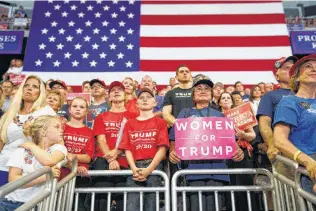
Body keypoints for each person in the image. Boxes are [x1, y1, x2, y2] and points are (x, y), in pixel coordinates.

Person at [169, 76, 244, 211]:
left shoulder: (221, 116)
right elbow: (174, 138)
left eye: (207, 89)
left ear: (211, 94)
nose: (203, 91)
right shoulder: (184, 114)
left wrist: (237, 151)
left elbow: (230, 141)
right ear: (193, 95)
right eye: (198, 89)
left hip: (217, 170)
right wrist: (172, 151)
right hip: (193, 171)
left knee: (215, 206)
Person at [0, 115, 66, 210]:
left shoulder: (59, 149)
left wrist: (32, 147)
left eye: (61, 127)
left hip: (38, 204)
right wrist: (44, 177)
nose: (62, 130)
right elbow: (13, 179)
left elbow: (49, 161)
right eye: (57, 127)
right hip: (10, 201)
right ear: (43, 132)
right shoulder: (21, 150)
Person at [118, 88, 169, 211]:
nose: (145, 99)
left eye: (148, 97)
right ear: (137, 103)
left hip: (154, 167)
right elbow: (127, 149)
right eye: (141, 97)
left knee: (151, 206)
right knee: (131, 206)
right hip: (134, 167)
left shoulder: (160, 122)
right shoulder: (129, 123)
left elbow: (162, 149)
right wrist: (134, 168)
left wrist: (149, 169)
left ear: (155, 102)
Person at [0, 75, 56, 186]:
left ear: (41, 92)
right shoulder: (10, 113)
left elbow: (56, 140)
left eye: (35, 86)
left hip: (28, 169)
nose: (29, 88)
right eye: (26, 85)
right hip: (3, 165)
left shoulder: (46, 112)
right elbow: (2, 140)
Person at [273, 54, 316, 194]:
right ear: (296, 77)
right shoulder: (289, 102)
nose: (314, 69)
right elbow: (279, 140)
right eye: (308, 66)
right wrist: (307, 161)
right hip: (305, 165)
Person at [93, 81, 136, 211]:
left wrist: (117, 153)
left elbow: (133, 139)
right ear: (109, 97)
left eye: (120, 90)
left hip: (126, 161)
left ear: (125, 96)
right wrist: (111, 159)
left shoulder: (134, 117)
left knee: (123, 200)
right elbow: (101, 140)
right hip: (104, 161)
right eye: (113, 90)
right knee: (102, 200)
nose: (116, 91)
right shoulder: (101, 117)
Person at [257, 56, 297, 161]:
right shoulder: (270, 96)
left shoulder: (308, 94)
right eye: (287, 68)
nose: (292, 70)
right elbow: (264, 123)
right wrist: (271, 144)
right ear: (277, 75)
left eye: (294, 68)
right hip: (286, 151)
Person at [63, 97, 94, 211]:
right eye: (75, 106)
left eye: (81, 107)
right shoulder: (62, 127)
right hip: (61, 174)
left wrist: (74, 156)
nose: (78, 109)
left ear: (86, 112)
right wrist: (72, 163)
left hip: (80, 176)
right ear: (69, 110)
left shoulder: (89, 132)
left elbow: (88, 158)